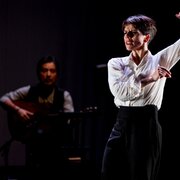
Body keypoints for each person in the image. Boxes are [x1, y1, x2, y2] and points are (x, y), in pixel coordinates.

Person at [101, 13, 180, 180]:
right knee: (109, 172)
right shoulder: (116, 63)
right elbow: (119, 92)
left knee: (141, 175)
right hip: (122, 122)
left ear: (146, 37)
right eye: (125, 32)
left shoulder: (160, 59)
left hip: (147, 123)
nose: (127, 37)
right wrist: (150, 79)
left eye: (133, 32)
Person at [0, 55, 74, 179]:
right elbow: (3, 99)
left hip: (56, 149)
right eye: (44, 70)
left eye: (52, 71)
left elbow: (69, 120)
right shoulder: (29, 90)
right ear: (38, 73)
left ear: (57, 74)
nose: (48, 74)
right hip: (34, 146)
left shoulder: (64, 96)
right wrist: (18, 110)